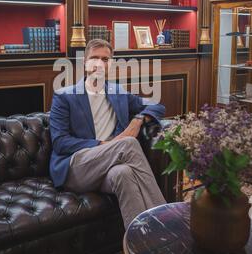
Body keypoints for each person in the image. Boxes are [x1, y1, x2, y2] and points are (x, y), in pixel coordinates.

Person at [49, 39, 166, 232]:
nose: (100, 64)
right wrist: (103, 144)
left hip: (109, 165)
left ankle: (142, 244)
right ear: (85, 63)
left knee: (124, 173)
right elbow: (60, 143)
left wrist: (137, 121)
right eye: (94, 58)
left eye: (105, 59)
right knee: (128, 143)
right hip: (76, 167)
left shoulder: (118, 93)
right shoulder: (65, 96)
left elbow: (157, 105)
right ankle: (164, 218)